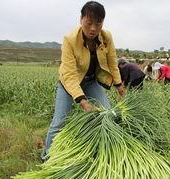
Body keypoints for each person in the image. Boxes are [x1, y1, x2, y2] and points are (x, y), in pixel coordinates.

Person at [41, 1, 125, 161]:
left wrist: (119, 85)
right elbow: (70, 75)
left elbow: (112, 62)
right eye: (89, 23)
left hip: (91, 81)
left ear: (102, 23)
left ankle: (96, 150)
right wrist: (83, 101)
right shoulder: (70, 39)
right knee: (59, 122)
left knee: (106, 114)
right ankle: (46, 156)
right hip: (68, 84)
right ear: (81, 19)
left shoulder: (106, 38)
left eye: (98, 23)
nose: (93, 28)